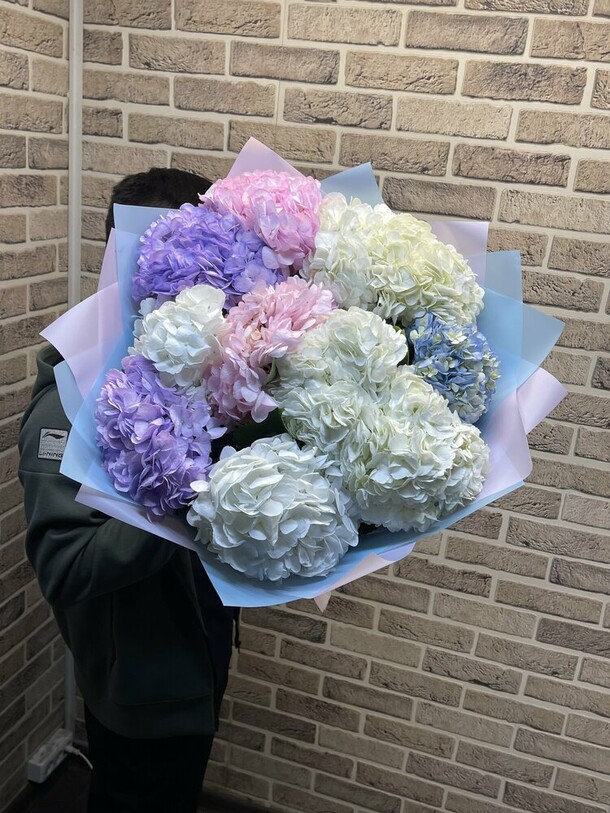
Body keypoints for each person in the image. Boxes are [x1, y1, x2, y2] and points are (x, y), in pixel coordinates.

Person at [19, 168, 236, 813]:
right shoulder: (70, 400)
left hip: (194, 660)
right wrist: (194, 500)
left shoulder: (191, 374)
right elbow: (65, 565)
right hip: (138, 687)